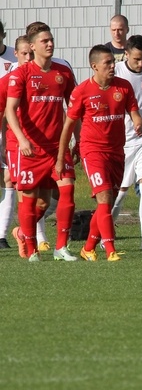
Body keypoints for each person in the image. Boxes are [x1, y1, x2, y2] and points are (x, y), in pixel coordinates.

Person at [58, 45, 142, 261]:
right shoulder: (82, 91)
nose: (113, 66)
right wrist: (61, 157)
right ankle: (110, 249)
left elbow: (133, 111)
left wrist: (137, 120)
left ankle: (87, 248)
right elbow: (68, 125)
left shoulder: (123, 87)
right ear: (94, 66)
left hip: (116, 152)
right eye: (108, 63)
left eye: (113, 62)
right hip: (92, 151)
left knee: (107, 202)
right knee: (104, 197)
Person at [5, 22, 78, 262]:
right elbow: (10, 110)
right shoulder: (20, 74)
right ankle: (31, 245)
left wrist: (77, 137)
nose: (49, 44)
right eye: (44, 41)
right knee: (33, 199)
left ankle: (61, 248)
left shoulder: (63, 72)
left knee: (66, 192)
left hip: (57, 147)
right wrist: (22, 139)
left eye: (51, 39)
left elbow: (75, 109)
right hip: (30, 148)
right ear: (33, 46)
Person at [111, 35, 142, 250]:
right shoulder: (115, 72)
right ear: (127, 55)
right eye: (137, 59)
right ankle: (106, 233)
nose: (141, 64)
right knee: (118, 193)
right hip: (121, 141)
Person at [0, 35, 32, 251]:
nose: (28, 58)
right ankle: (5, 235)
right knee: (11, 183)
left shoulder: (46, 77)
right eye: (24, 54)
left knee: (40, 193)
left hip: (36, 143)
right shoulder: (8, 80)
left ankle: (23, 233)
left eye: (30, 53)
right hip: (13, 140)